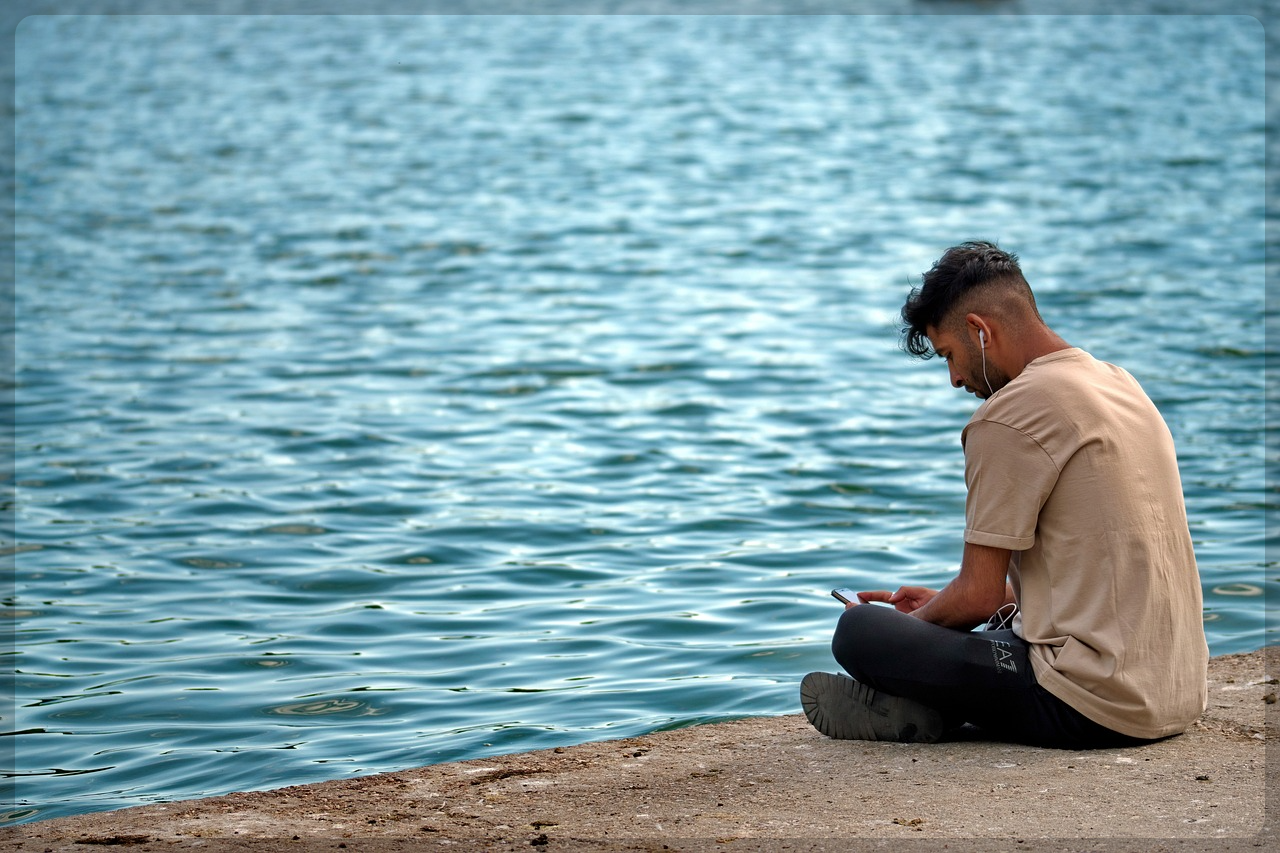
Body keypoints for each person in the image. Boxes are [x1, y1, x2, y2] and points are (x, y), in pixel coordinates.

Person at [800, 241, 1207, 749]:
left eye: (949, 355)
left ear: (980, 331)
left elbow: (979, 596)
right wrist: (940, 613)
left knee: (860, 631)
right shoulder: (1119, 384)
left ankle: (924, 706)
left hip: (1092, 707)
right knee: (976, 637)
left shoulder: (1010, 414)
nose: (953, 379)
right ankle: (923, 707)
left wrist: (920, 630)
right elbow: (1097, 569)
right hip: (1176, 692)